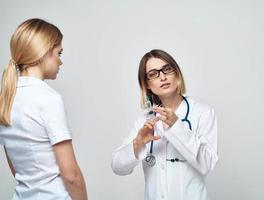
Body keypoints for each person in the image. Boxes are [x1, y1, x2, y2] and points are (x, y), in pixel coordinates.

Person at [111, 49, 218, 200]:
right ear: (147, 84)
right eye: (153, 74)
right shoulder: (144, 121)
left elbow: (207, 164)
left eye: (167, 69)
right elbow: (117, 166)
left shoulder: (202, 113)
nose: (162, 77)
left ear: (177, 74)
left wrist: (176, 125)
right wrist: (137, 145)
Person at [0, 18, 87, 200]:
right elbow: (71, 176)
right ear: (43, 52)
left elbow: (16, 168)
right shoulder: (48, 99)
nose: (60, 62)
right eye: (59, 53)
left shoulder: (5, 100)